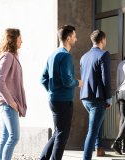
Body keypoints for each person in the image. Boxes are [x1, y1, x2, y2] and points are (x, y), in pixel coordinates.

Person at [40, 25, 83, 160]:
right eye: (74, 36)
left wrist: (52, 91)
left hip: (53, 100)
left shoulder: (52, 55)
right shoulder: (65, 56)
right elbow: (67, 81)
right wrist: (78, 83)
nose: (76, 39)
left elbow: (43, 79)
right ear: (68, 38)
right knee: (62, 136)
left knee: (57, 133)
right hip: (63, 101)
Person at [0, 28, 27, 160]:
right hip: (7, 104)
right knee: (14, 136)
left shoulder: (13, 56)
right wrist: (11, 102)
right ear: (13, 39)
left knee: (5, 136)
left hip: (6, 104)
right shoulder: (8, 56)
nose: (22, 41)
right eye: (20, 38)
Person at [80, 30, 111, 160]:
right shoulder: (104, 54)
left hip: (85, 97)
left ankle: (99, 148)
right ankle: (86, 157)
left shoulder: (84, 57)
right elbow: (106, 79)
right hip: (97, 99)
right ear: (102, 40)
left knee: (98, 123)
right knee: (92, 131)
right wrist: (108, 97)